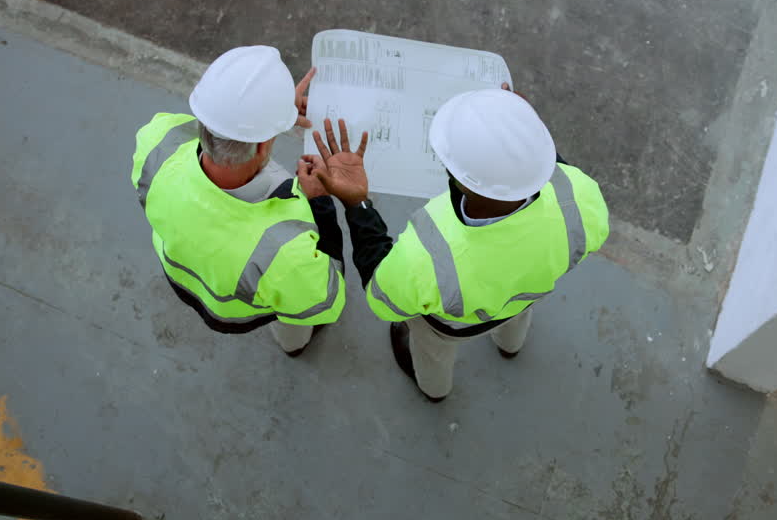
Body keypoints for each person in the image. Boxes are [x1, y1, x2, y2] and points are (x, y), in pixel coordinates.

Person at [303, 85, 608, 400]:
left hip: (450, 327)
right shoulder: (583, 197)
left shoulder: (427, 256)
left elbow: (384, 298)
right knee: (516, 318)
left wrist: (357, 205)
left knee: (433, 357)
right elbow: (558, 173)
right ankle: (510, 347)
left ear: (460, 178)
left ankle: (435, 392)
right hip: (524, 295)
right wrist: (522, 137)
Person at [132, 45, 345, 357]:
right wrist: (319, 201)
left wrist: (271, 114)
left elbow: (210, 127)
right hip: (239, 311)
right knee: (294, 319)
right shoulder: (285, 251)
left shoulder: (156, 141)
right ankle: (294, 346)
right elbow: (327, 301)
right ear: (261, 149)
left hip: (180, 272)